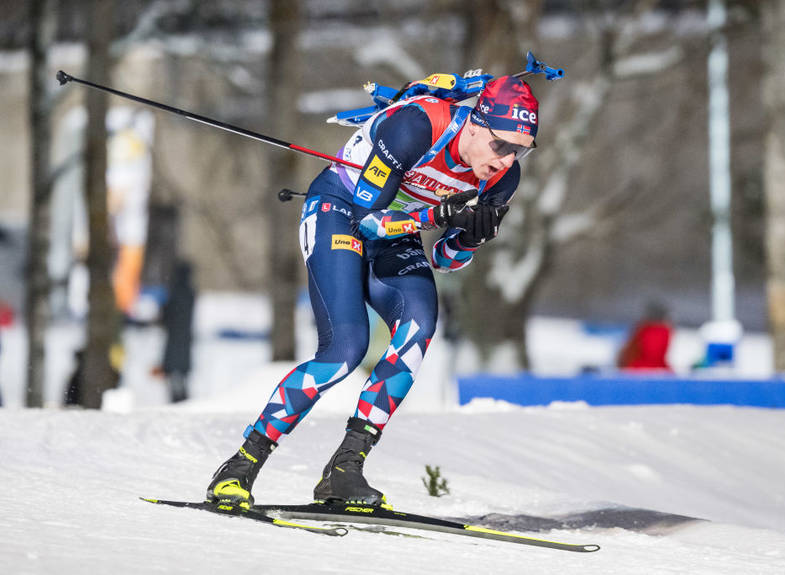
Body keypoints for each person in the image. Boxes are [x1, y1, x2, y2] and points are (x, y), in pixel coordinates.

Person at [206, 75, 539, 509]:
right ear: (475, 125)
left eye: (521, 150)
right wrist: (439, 212)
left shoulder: (501, 180)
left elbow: (445, 258)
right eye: (501, 146)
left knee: (419, 325)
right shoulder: (416, 126)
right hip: (342, 210)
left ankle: (345, 470)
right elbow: (368, 221)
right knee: (346, 349)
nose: (507, 160)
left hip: (398, 229)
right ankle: (240, 466)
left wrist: (471, 237)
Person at [160, 261, 196, 402]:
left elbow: (167, 315)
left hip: (174, 339)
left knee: (175, 377)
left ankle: (178, 401)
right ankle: (183, 400)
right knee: (181, 375)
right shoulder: (190, 292)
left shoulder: (175, 292)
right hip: (185, 339)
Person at [617, 301, 673, 371]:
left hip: (642, 367)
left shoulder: (642, 328)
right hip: (644, 367)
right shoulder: (657, 330)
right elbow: (652, 353)